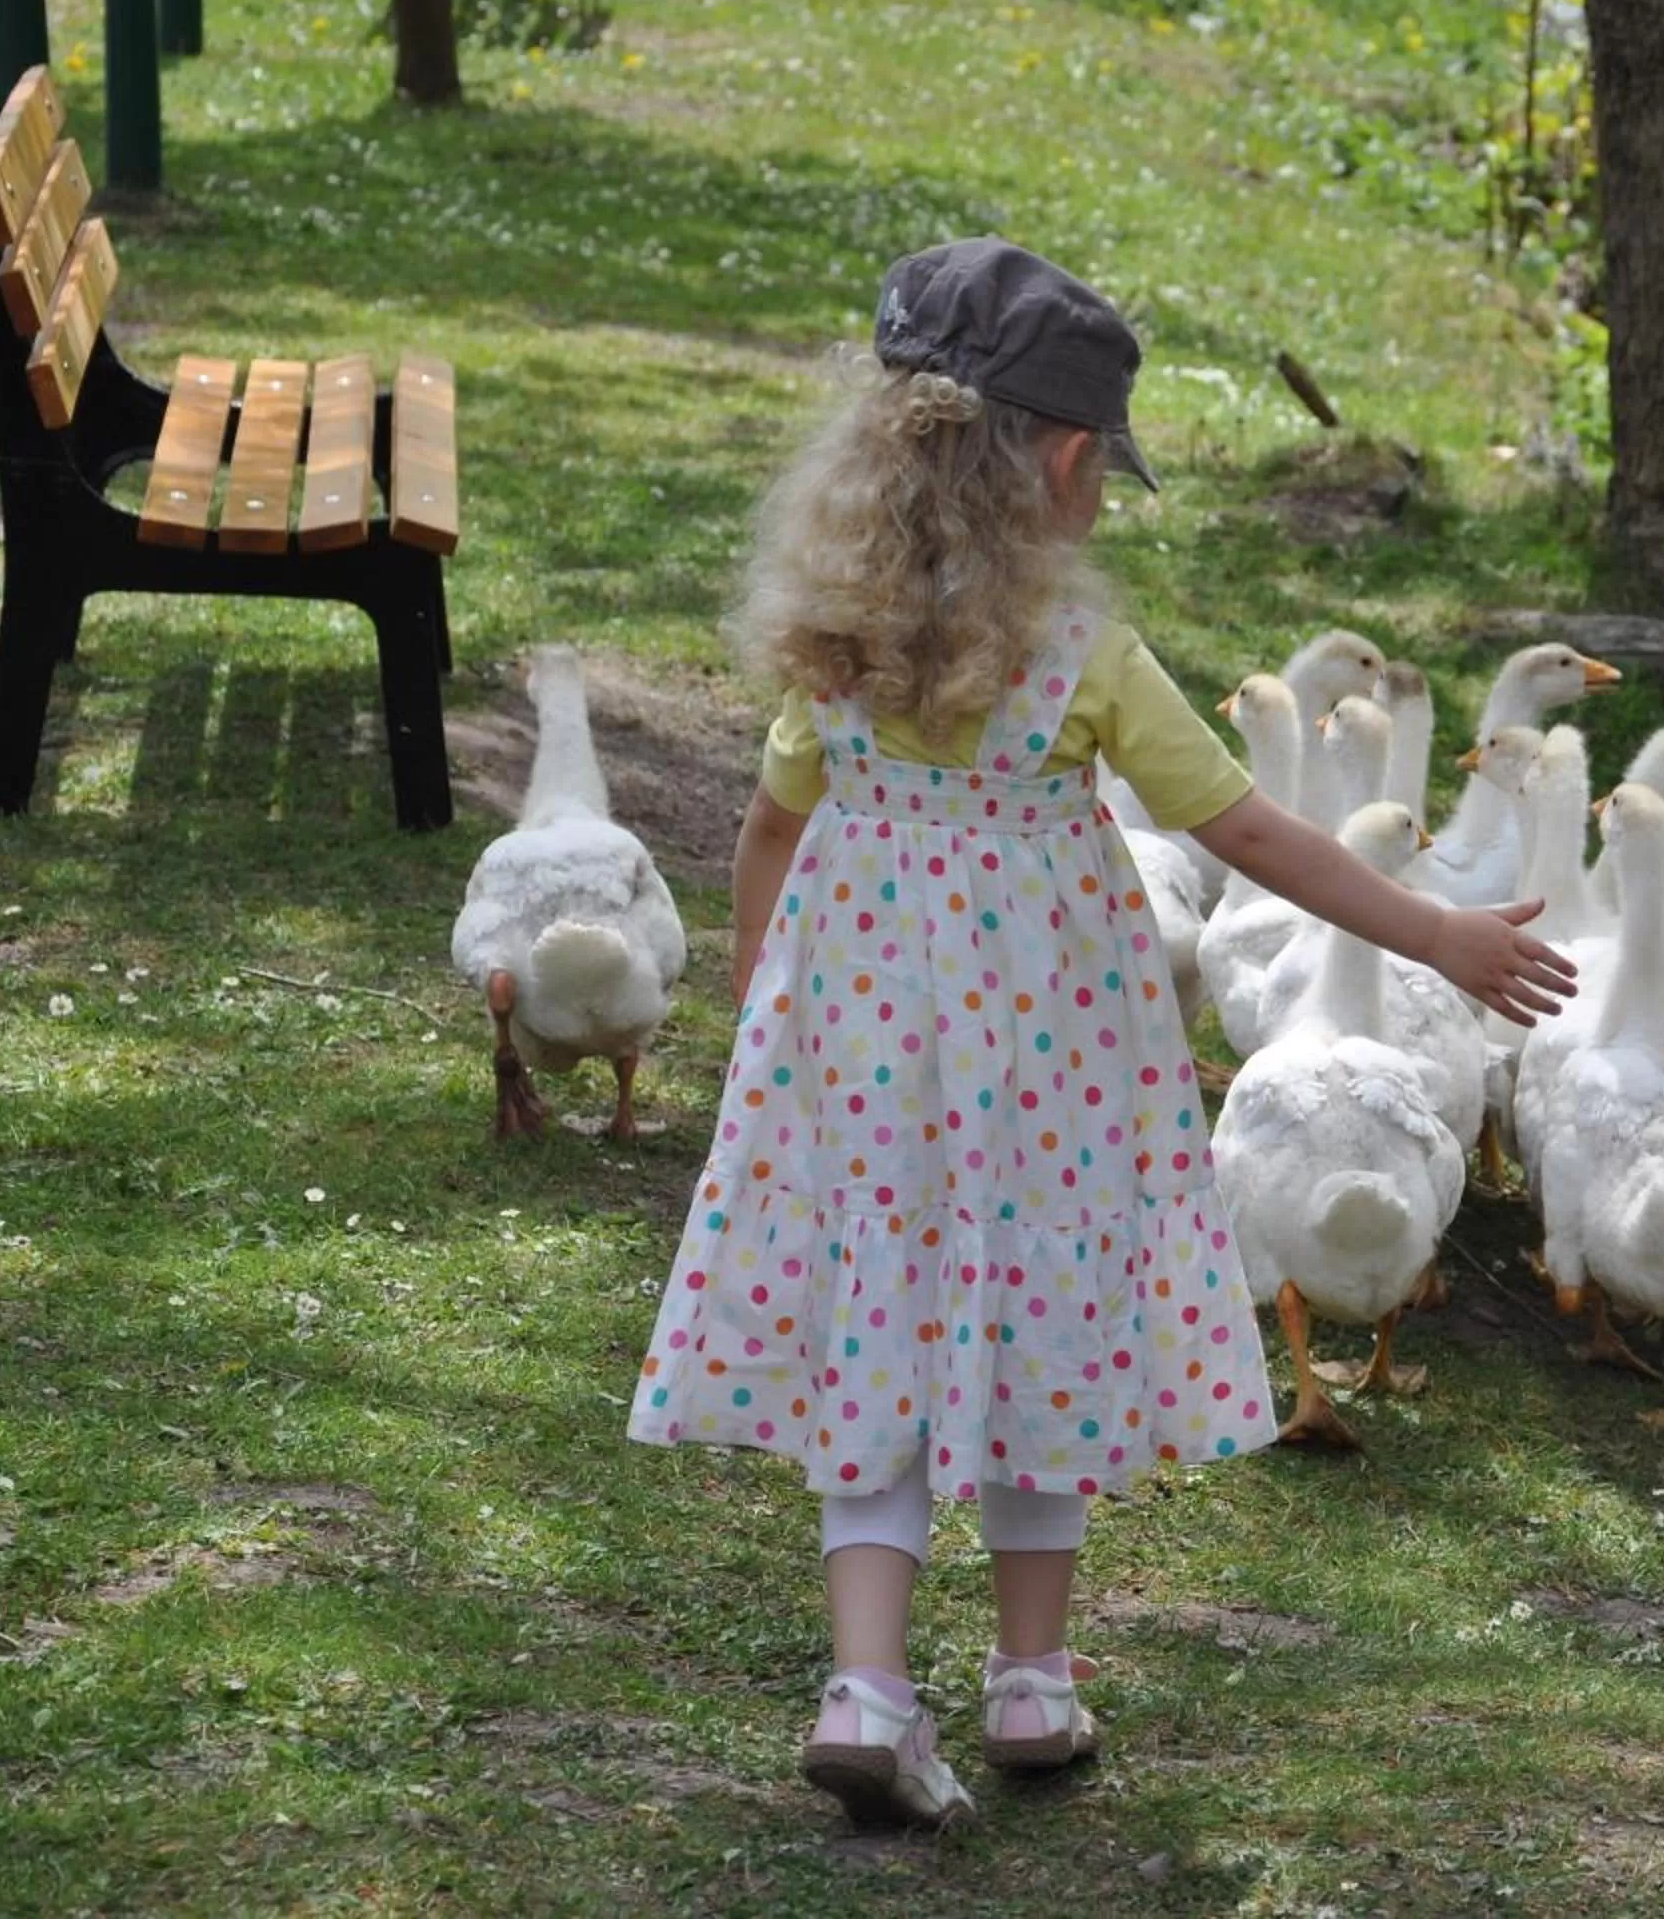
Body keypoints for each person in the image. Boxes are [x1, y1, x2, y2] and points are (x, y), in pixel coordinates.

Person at [626, 239, 1574, 1830]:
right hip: (1048, 1057)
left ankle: (865, 1684)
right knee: (1038, 1293)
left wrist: (756, 995)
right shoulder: (1080, 656)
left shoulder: (836, 638)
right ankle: (1030, 1681)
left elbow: (771, 834)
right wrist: (1440, 937)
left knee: (884, 1298)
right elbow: (1259, 838)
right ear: (1064, 463)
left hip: (858, 1041)